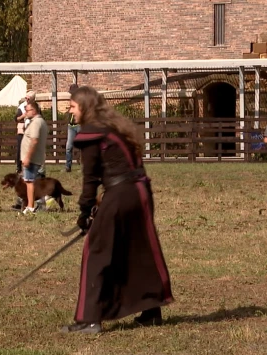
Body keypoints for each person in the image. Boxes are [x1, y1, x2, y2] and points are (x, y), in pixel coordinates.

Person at [62, 86, 174, 334]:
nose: (69, 110)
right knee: (137, 249)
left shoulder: (92, 133)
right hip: (140, 192)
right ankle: (151, 310)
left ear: (85, 107)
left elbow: (90, 179)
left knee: (96, 251)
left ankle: (90, 319)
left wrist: (85, 211)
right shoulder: (114, 128)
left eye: (72, 106)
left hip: (123, 193)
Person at [19, 101, 48, 215]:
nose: (25, 113)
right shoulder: (41, 122)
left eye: (27, 110)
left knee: (29, 182)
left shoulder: (36, 123)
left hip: (32, 158)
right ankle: (38, 204)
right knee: (32, 182)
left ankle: (30, 207)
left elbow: (34, 140)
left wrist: (27, 157)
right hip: (35, 157)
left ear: (34, 110)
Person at [15, 90, 35, 173]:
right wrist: (24, 115)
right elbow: (16, 119)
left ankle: (31, 166)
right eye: (26, 98)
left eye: (28, 98)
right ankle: (18, 167)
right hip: (22, 131)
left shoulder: (36, 107)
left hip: (32, 130)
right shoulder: (21, 107)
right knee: (20, 148)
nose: (26, 99)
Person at [64, 83, 80, 172]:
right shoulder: (72, 100)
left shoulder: (81, 100)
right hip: (71, 126)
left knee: (83, 146)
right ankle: (68, 166)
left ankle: (84, 167)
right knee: (68, 147)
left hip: (79, 125)